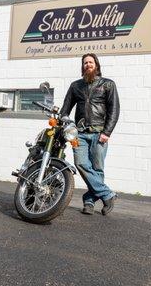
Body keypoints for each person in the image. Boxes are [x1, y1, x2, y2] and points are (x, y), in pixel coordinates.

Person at [60, 53, 120, 215]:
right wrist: (67, 122)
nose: (88, 64)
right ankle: (108, 195)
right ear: (83, 66)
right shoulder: (75, 86)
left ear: (96, 65)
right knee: (81, 164)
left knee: (97, 168)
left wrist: (107, 132)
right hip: (79, 134)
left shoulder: (108, 84)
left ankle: (89, 202)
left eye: (90, 62)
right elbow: (65, 110)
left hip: (99, 133)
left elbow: (114, 110)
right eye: (85, 62)